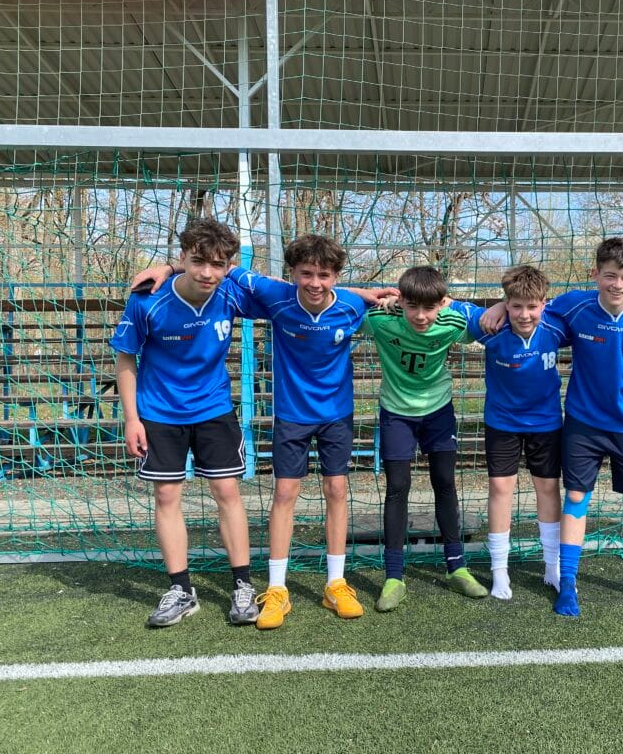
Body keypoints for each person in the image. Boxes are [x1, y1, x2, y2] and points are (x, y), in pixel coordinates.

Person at [131, 235, 397, 629]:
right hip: (289, 414)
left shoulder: (353, 305)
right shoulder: (276, 296)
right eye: (306, 274)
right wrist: (169, 267)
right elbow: (226, 268)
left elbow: (417, 303)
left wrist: (371, 294)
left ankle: (336, 583)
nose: (315, 282)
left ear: (337, 277)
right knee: (284, 493)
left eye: (324, 275)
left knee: (337, 490)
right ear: (292, 274)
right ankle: (275, 588)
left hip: (337, 414)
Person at [482, 237, 623, 617]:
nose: (617, 284)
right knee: (575, 497)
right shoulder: (575, 305)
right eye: (610, 276)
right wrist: (498, 305)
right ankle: (567, 584)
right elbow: (528, 304)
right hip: (581, 423)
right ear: (595, 274)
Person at [111, 218, 260, 628]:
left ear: (228, 265)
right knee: (166, 496)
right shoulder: (147, 299)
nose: (207, 272)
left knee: (226, 491)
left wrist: (363, 296)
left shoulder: (232, 292)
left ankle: (243, 586)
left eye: (218, 264)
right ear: (183, 257)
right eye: (198, 262)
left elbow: (295, 293)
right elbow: (125, 358)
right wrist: (131, 419)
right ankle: (181, 590)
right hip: (158, 413)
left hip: (213, 408)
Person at [362, 265, 489, 612]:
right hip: (396, 414)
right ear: (400, 300)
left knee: (444, 482)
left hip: (438, 411)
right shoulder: (380, 321)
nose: (421, 316)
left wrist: (457, 304)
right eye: (412, 306)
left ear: (441, 303)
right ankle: (393, 576)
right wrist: (374, 298)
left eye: (429, 308)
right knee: (397, 487)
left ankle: (457, 567)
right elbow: (337, 305)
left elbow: (487, 318)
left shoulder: (453, 323)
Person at [449, 266, 568, 600]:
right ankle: (499, 570)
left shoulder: (557, 323)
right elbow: (445, 302)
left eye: (532, 306)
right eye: (516, 306)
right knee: (500, 488)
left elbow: (597, 301)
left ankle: (552, 566)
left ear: (544, 303)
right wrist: (497, 307)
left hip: (546, 422)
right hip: (502, 422)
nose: (524, 314)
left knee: (548, 488)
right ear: (506, 303)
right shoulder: (490, 325)